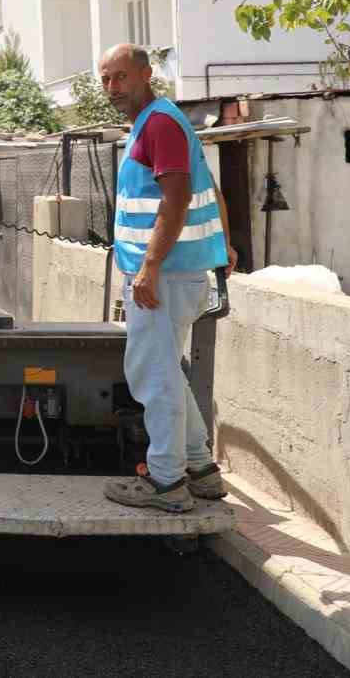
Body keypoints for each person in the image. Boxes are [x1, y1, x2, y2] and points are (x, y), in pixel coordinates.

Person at [98, 43, 236, 513]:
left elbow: (175, 197)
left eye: (121, 77)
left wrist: (149, 267)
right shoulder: (160, 122)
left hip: (163, 277)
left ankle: (165, 483)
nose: (113, 88)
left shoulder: (158, 122)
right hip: (179, 273)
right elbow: (208, 188)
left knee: (155, 377)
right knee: (169, 374)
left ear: (146, 74)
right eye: (106, 80)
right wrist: (225, 244)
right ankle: (199, 469)